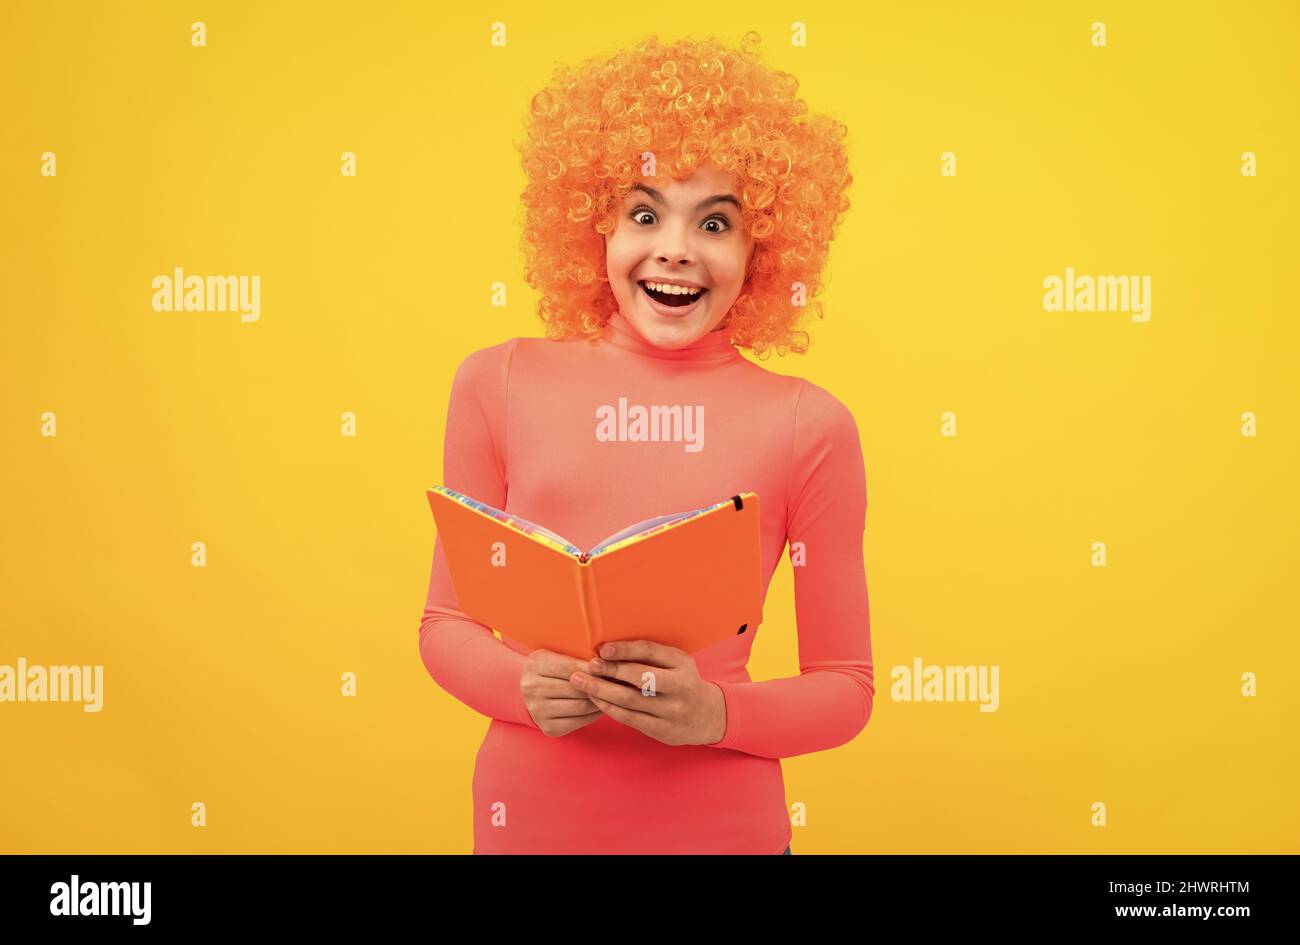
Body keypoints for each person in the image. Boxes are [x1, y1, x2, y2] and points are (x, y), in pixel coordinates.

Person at [418, 32, 871, 854]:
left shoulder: (810, 426)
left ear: (761, 249)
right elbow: (444, 626)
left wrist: (717, 714)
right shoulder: (498, 384)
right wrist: (521, 686)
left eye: (716, 221)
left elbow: (847, 689)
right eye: (643, 211)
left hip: (724, 831)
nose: (675, 248)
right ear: (592, 223)